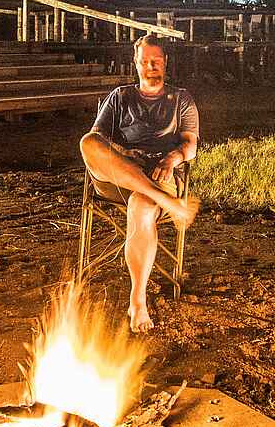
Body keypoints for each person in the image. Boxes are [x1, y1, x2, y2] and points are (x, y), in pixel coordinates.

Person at [78, 35, 201, 333]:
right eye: (144, 62)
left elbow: (191, 145)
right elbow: (98, 140)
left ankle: (138, 301)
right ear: (135, 64)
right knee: (88, 142)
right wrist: (124, 156)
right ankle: (168, 203)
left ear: (165, 63)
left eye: (156, 61)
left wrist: (172, 159)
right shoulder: (120, 97)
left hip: (159, 173)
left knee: (142, 207)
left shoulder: (181, 99)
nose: (150, 68)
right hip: (119, 174)